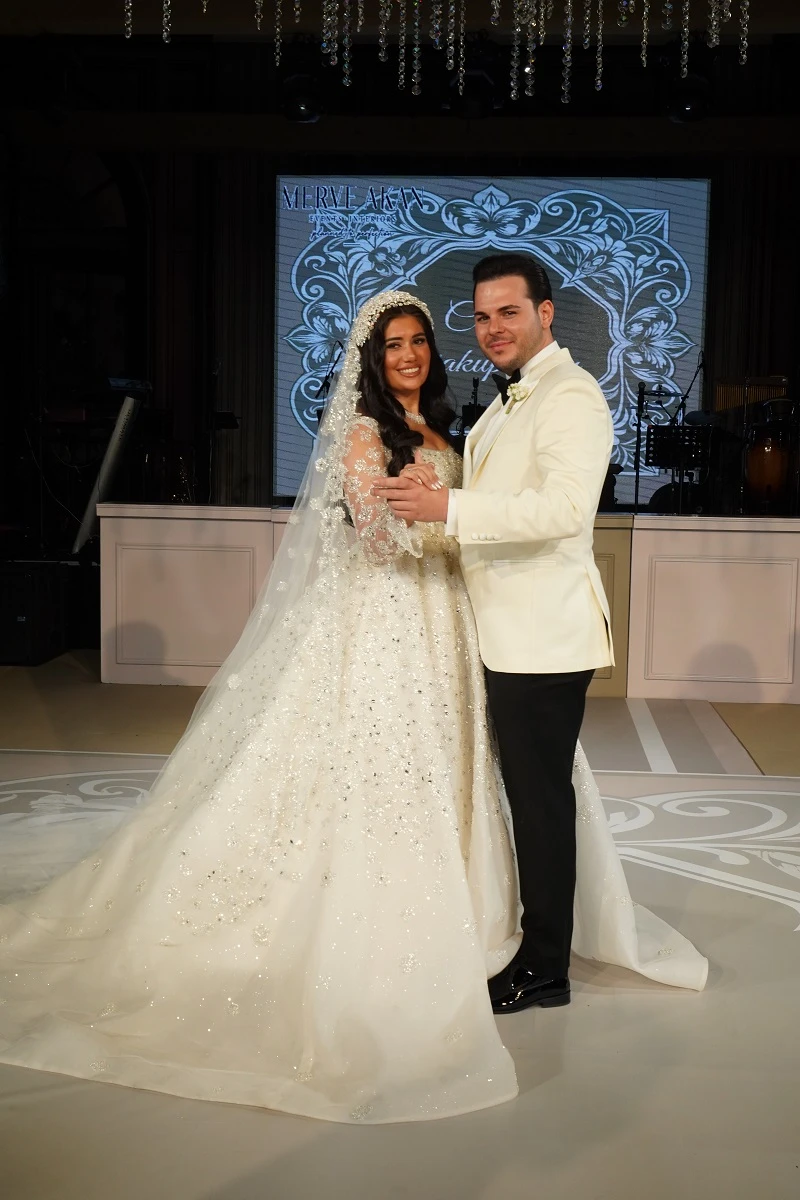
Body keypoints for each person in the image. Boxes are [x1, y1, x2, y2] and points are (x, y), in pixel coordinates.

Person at [0, 290, 705, 1129]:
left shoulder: (459, 423)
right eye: (393, 345)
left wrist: (442, 517)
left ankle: (502, 927)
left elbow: (506, 512)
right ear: (371, 361)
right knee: (383, 763)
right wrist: (414, 516)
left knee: (461, 766)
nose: (408, 355)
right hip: (389, 618)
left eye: (419, 341)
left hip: (456, 618)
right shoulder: (367, 432)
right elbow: (373, 536)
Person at [374, 255, 709, 1015]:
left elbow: (563, 511)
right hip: (506, 630)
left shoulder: (572, 394)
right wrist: (442, 492)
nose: (493, 328)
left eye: (509, 312)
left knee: (540, 804)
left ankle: (545, 966)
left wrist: (450, 509)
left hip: (542, 636)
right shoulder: (508, 400)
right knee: (530, 799)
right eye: (482, 316)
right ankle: (537, 945)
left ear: (545, 313)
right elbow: (503, 498)